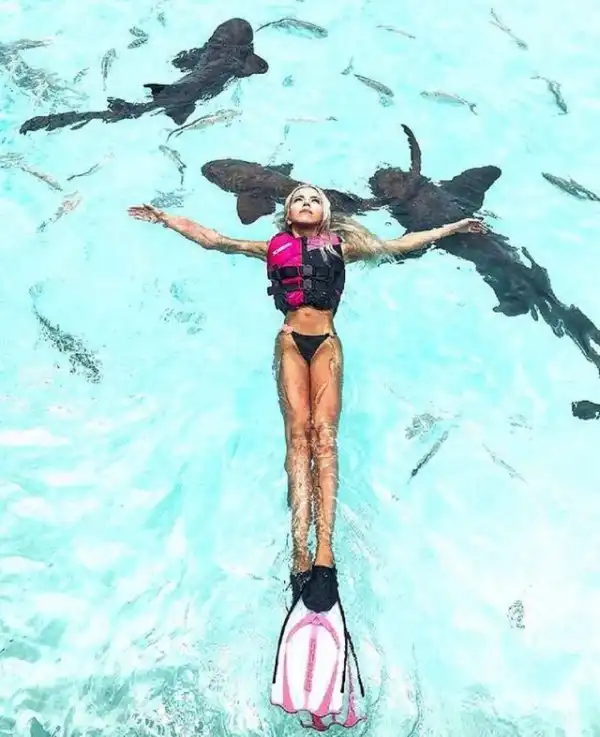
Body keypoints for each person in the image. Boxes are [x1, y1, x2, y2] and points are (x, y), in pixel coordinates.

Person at [127, 185, 484, 726]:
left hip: (328, 345)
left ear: (326, 213)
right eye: (298, 198)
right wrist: (165, 218)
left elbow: (403, 244)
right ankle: (300, 555)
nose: (306, 202)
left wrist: (452, 229)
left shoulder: (343, 246)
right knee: (296, 442)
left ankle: (325, 555)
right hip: (291, 343)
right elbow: (213, 239)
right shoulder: (268, 247)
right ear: (287, 214)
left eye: (314, 198)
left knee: (324, 440)